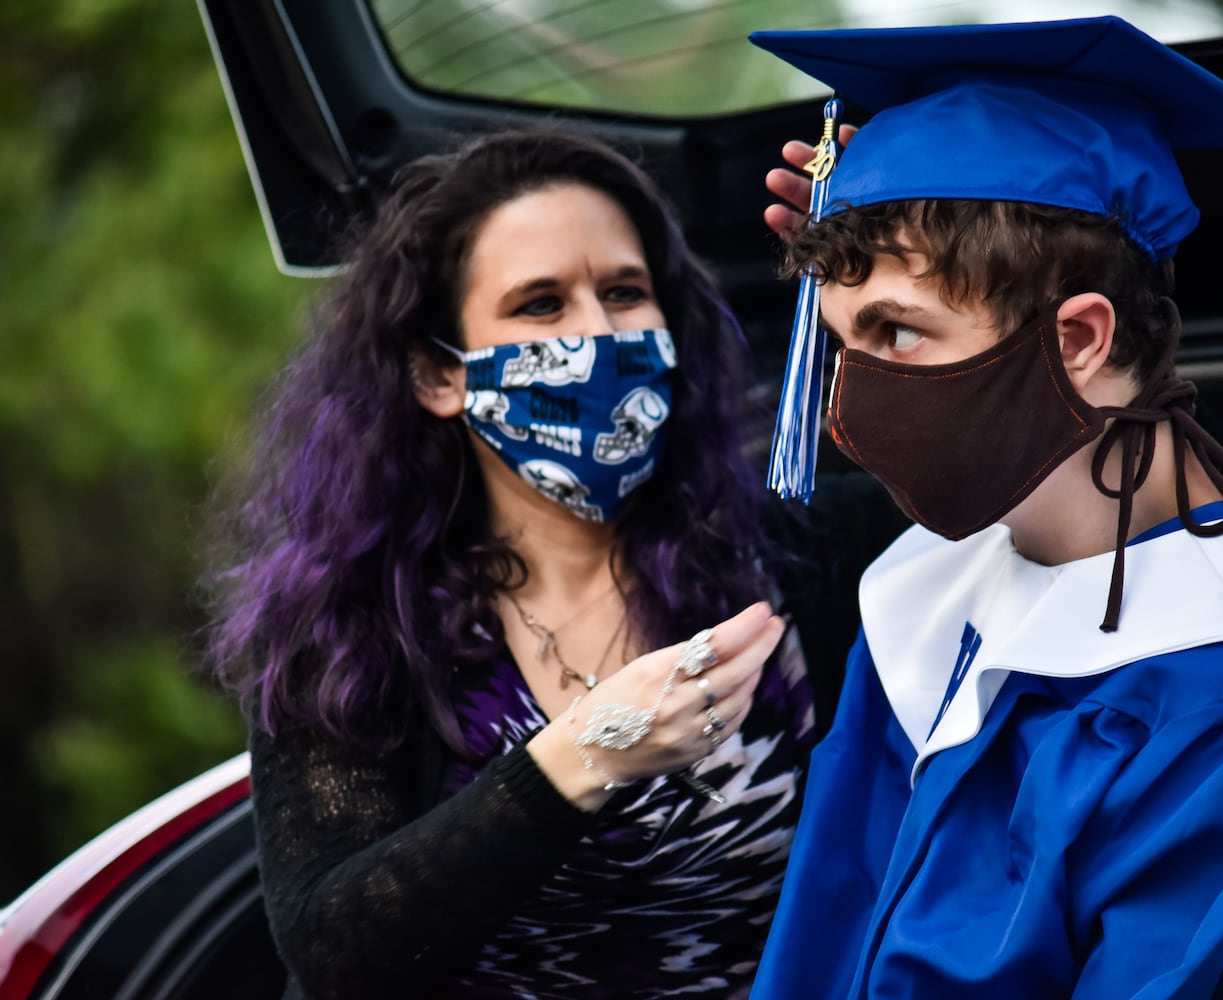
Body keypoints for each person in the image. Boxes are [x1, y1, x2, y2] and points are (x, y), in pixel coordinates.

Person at [746, 17, 1223, 999]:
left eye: (898, 332)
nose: (850, 403)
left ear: (1078, 340)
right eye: (847, 341)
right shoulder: (926, 601)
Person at [201, 128, 869, 999]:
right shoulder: (353, 629)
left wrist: (914, 240)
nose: (599, 333)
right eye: (542, 305)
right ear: (439, 376)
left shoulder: (798, 552)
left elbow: (1041, 489)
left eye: (626, 292)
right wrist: (586, 752)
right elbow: (334, 947)